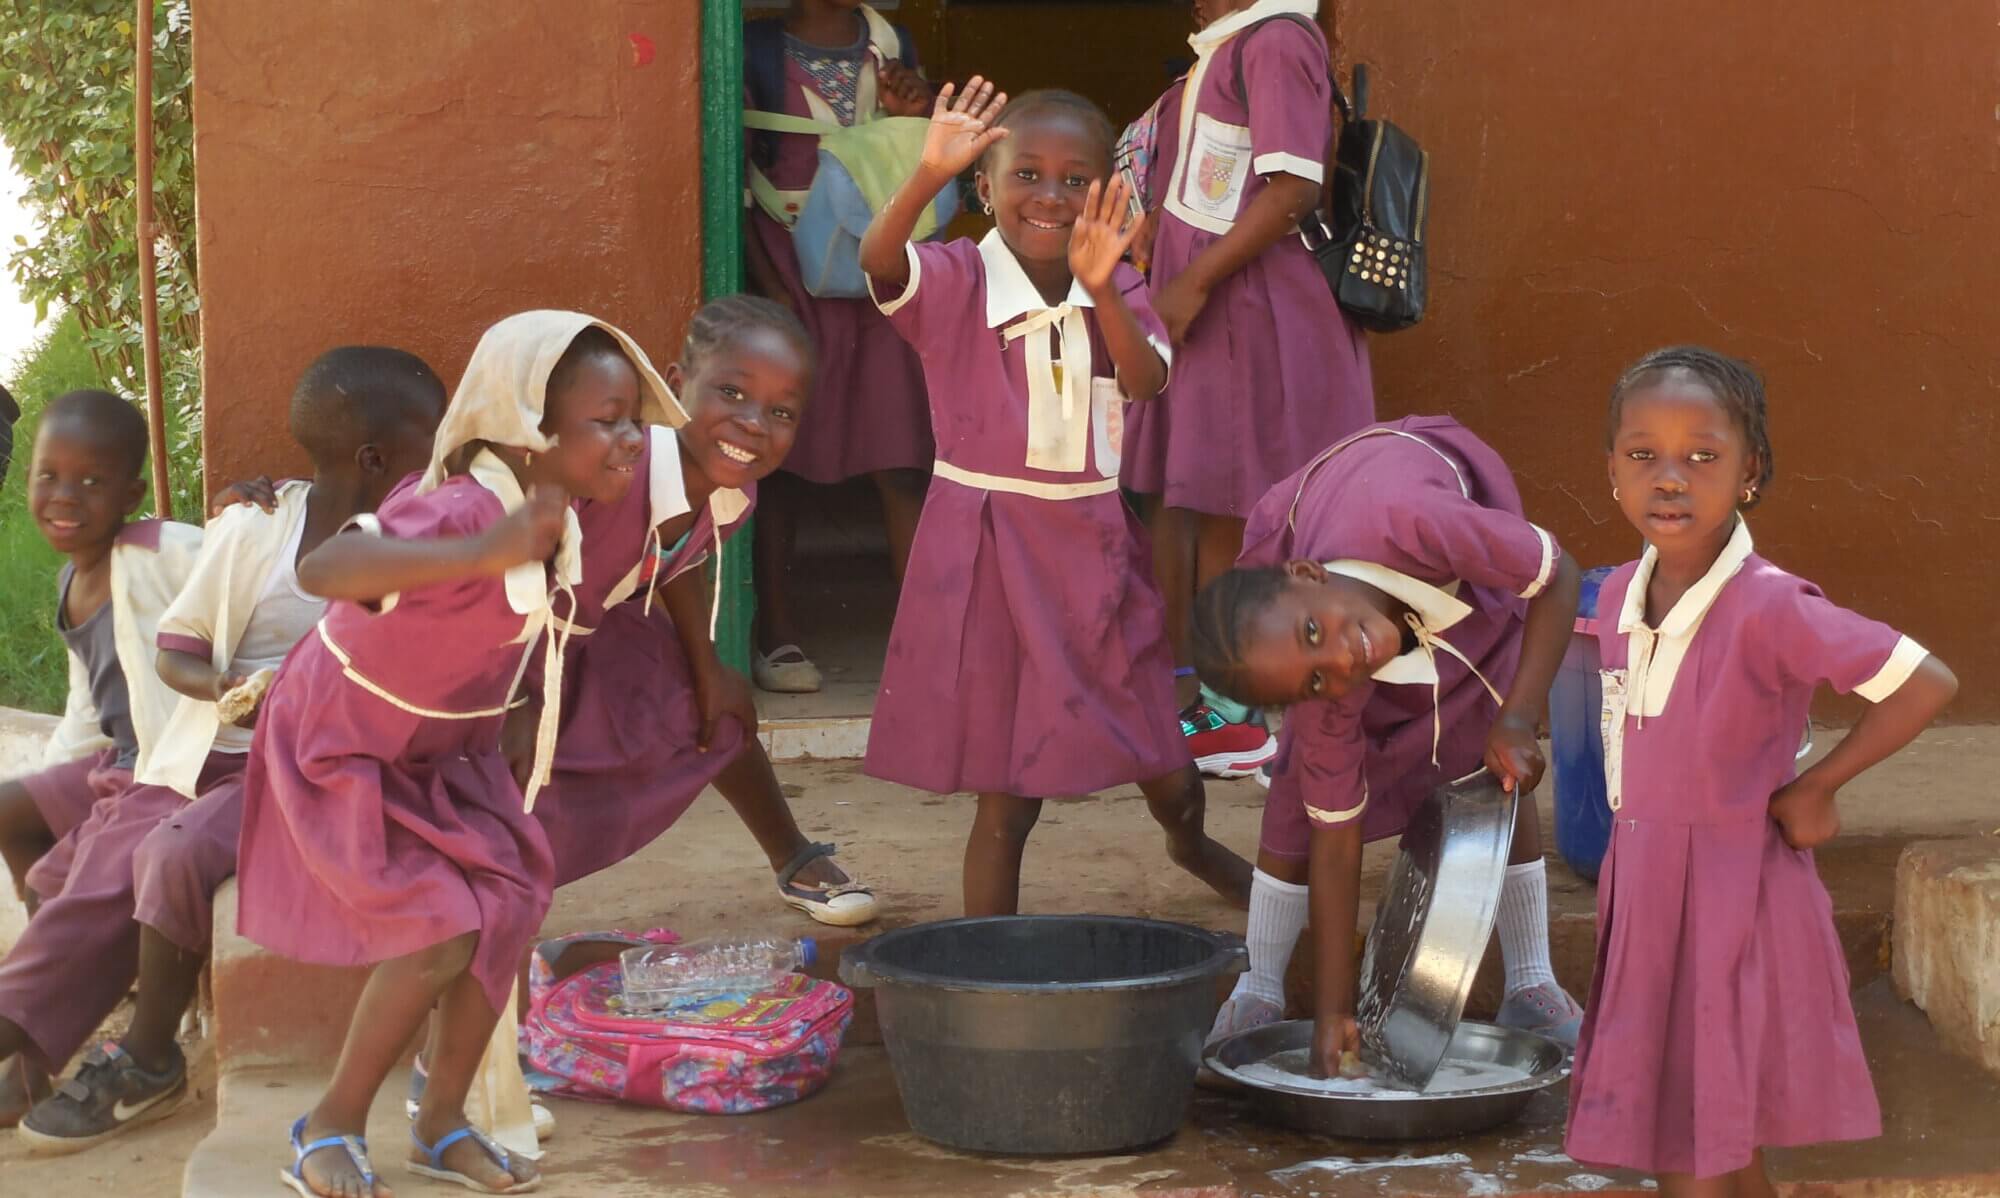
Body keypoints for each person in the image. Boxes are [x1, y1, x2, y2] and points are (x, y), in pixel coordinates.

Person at [237, 312, 669, 1197]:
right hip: (349, 742)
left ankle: (440, 1125)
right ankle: (327, 1125)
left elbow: (534, 618)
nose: (633, 439)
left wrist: (524, 702)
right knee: (440, 928)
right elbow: (324, 569)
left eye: (634, 418)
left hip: (443, 745)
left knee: (510, 902)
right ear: (527, 428)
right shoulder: (467, 506)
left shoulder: (554, 508)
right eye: (610, 419)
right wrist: (480, 552)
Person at [12, 348, 446, 1153]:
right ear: (378, 459)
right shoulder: (256, 529)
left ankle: (147, 1059)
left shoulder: (417, 545)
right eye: (433, 444)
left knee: (170, 851)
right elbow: (181, 648)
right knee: (88, 860)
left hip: (310, 765)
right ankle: (25, 1038)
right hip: (211, 744)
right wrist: (231, 692)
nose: (444, 463)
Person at [1564, 348, 1956, 1197]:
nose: (1670, 478)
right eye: (1643, 455)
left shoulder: (1769, 604)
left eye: (1702, 456)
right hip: (1649, 893)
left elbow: (1924, 682)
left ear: (1751, 475)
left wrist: (1818, 785)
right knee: (1719, 1137)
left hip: (1733, 899)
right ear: (1611, 473)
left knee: (1691, 1142)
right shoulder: (1620, 596)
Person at [857, 79, 1252, 915]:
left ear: (1109, 192)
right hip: (993, 551)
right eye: (1025, 174)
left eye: (1077, 180)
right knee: (1009, 794)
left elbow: (1143, 379)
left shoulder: (1123, 287)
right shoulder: (957, 279)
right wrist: (925, 174)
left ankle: (1192, 844)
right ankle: (985, 969)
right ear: (983, 185)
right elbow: (880, 264)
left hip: (1096, 553)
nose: (1050, 195)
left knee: (1167, 763)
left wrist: (1103, 286)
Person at [1189, 416, 1586, 1063]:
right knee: (1302, 786)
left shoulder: (1420, 520)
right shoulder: (1311, 672)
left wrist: (1518, 714)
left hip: (1426, 543)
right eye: (1315, 680)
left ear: (1309, 575)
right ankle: (1259, 986)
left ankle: (1531, 982)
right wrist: (1335, 1013)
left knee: (1487, 748)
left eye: (1318, 636)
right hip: (1316, 555)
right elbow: (1335, 838)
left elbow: (1558, 575)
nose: (1343, 661)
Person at [1125, 0, 1375, 778]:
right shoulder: (1220, 53)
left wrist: (1193, 281)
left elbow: (1290, 188)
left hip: (1255, 311)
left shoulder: (1276, 40)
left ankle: (1237, 710)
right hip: (1211, 314)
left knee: (1243, 504)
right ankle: (1201, 694)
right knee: (1192, 498)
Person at [0, 390, 200, 1125]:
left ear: (131, 494)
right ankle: (31, 1057)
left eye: (91, 481)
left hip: (176, 769)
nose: (65, 497)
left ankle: (39, 1002)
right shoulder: (68, 581)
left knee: (93, 871)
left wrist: (258, 510)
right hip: (120, 760)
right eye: (50, 476)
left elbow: (246, 575)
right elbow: (88, 705)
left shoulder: (161, 551)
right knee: (15, 813)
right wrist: (60, 786)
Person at [743, 0, 936, 694]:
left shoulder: (889, 41)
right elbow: (731, 172)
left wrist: (914, 112)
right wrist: (769, 291)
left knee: (901, 456)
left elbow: (915, 154)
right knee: (783, 462)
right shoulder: (757, 49)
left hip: (878, 266)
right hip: (787, 265)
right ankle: (778, 634)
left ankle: (925, 642)